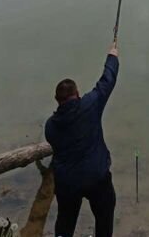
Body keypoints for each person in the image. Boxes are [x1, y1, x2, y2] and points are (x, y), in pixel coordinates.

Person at [45, 43, 120, 237]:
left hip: (67, 183)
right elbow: (107, 81)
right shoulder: (90, 105)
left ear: (57, 99)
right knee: (104, 218)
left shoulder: (50, 126)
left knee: (65, 223)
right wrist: (112, 56)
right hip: (97, 177)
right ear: (77, 94)